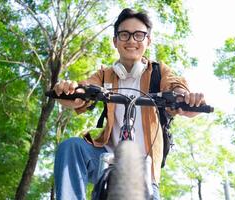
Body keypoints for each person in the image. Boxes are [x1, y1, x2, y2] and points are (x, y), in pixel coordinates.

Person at [53, 8, 206, 200]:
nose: (131, 40)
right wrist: (69, 91)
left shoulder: (159, 72)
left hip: (145, 168)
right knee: (71, 147)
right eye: (124, 34)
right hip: (105, 157)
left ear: (148, 41)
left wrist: (185, 98)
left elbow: (176, 87)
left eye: (139, 35)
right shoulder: (105, 74)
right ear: (115, 40)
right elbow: (83, 93)